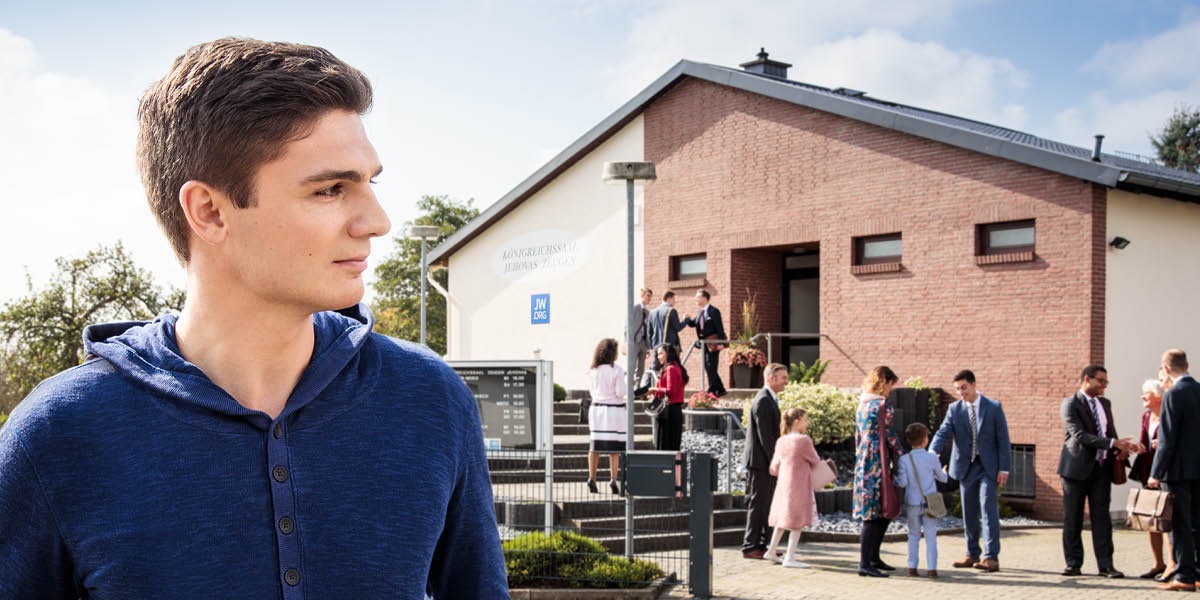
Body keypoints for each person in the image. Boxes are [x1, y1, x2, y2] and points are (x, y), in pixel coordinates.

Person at [0, 38, 507, 598]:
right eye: (330, 189)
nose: (377, 221)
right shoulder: (57, 434)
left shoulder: (429, 400)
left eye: (371, 183)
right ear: (210, 212)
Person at [1058, 364, 1141, 579]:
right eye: (1101, 381)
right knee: (1073, 519)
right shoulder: (1070, 404)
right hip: (1075, 470)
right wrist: (1113, 442)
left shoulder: (1105, 403)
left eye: (1106, 382)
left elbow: (1109, 432)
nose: (1104, 386)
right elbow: (1079, 435)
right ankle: (1073, 563)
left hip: (1101, 470)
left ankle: (1106, 566)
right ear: (1087, 379)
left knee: (1102, 519)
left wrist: (1122, 448)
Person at [928, 369, 1011, 573]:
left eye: (964, 388)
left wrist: (1004, 468)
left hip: (988, 467)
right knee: (969, 511)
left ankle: (991, 557)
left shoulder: (993, 407)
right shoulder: (955, 409)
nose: (961, 392)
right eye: (957, 389)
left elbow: (1003, 439)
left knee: (988, 508)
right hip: (966, 467)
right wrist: (931, 453)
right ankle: (972, 553)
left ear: (973, 384)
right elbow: (943, 432)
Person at [1150, 349, 1200, 592]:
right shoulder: (1199, 390)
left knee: (1180, 524)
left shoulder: (1173, 394)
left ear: (1167, 369)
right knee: (1197, 523)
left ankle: (1185, 576)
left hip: (1179, 471)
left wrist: (1155, 473)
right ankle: (1198, 573)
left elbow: (1168, 438)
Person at [854, 365, 901, 578]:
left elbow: (857, 437)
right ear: (886, 382)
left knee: (873, 510)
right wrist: (905, 456)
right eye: (891, 384)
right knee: (878, 510)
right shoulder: (883, 405)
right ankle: (866, 562)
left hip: (864, 458)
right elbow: (890, 436)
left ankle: (873, 558)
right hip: (879, 459)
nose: (891, 389)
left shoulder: (861, 404)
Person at [1129, 377, 1175, 581]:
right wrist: (1137, 447)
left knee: (1165, 519)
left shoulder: (1169, 414)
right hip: (1147, 471)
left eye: (1145, 394)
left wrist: (1162, 443)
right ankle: (1158, 563)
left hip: (1164, 472)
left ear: (1157, 396)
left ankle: (1173, 564)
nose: (1141, 397)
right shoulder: (1146, 416)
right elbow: (1143, 440)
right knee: (1150, 518)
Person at [766, 407, 823, 568]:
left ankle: (771, 550)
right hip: (799, 485)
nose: (807, 423)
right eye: (806, 420)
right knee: (797, 521)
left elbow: (773, 468)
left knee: (783, 519)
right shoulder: (803, 440)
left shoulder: (781, 441)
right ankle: (789, 558)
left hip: (783, 485)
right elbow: (815, 461)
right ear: (797, 422)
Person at [742, 363, 788, 559]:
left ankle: (765, 545)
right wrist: (775, 461)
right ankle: (750, 545)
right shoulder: (763, 401)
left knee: (766, 504)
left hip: (764, 462)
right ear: (771, 378)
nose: (786, 381)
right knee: (758, 503)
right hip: (760, 463)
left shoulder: (770, 399)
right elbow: (765, 436)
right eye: (783, 378)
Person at [895, 422, 948, 578]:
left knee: (913, 534)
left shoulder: (904, 459)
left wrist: (894, 478)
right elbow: (943, 479)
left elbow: (902, 483)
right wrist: (943, 470)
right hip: (930, 503)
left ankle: (912, 566)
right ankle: (932, 568)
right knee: (931, 535)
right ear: (925, 440)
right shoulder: (931, 458)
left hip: (912, 502)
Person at [586, 338, 626, 495]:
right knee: (614, 449)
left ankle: (592, 477)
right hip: (613, 410)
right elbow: (620, 393)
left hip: (596, 409)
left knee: (594, 446)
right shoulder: (617, 370)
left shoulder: (592, 370)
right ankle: (613, 479)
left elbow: (591, 392)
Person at [682, 289, 727, 397]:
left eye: (698, 297)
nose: (695, 299)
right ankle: (720, 389)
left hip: (713, 343)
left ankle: (711, 391)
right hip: (703, 344)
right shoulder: (700, 312)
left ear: (704, 298)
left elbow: (720, 328)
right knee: (708, 367)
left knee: (711, 366)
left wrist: (722, 343)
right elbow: (694, 324)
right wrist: (687, 319)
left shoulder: (713, 311)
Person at [649, 344, 686, 451]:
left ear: (668, 354)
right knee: (671, 446)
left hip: (669, 411)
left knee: (666, 446)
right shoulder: (674, 367)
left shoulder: (671, 369)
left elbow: (670, 391)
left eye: (660, 354)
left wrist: (654, 390)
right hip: (672, 411)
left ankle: (667, 467)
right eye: (657, 354)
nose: (658, 357)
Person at [646, 291, 683, 371]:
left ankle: (647, 383)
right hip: (669, 347)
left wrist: (652, 346)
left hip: (656, 346)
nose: (675, 301)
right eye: (674, 299)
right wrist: (686, 320)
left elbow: (649, 332)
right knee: (673, 367)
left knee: (655, 368)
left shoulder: (652, 312)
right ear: (669, 298)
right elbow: (678, 327)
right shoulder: (671, 310)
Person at [625, 287, 654, 381]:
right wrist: (627, 342)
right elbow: (627, 326)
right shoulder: (634, 308)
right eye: (648, 296)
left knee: (641, 368)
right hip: (633, 341)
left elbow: (647, 330)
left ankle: (637, 389)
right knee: (632, 366)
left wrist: (648, 346)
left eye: (650, 297)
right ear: (642, 295)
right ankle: (629, 389)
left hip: (643, 343)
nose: (649, 298)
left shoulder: (647, 312)